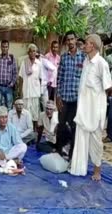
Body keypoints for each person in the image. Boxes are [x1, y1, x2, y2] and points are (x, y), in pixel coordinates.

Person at [70, 34, 112, 181]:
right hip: (83, 109)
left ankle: (97, 171)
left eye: (86, 43)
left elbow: (108, 87)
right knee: (80, 138)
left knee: (96, 142)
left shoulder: (101, 63)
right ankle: (78, 168)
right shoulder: (86, 62)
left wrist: (100, 102)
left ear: (92, 45)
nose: (83, 45)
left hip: (95, 111)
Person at [56, 30, 86, 159]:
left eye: (72, 39)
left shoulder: (83, 57)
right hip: (64, 98)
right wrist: (58, 97)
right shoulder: (63, 57)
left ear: (76, 40)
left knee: (74, 127)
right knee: (61, 126)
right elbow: (59, 78)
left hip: (76, 100)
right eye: (68, 40)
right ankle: (58, 152)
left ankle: (72, 155)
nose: (70, 42)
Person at [19, 44, 42, 129]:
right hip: (26, 92)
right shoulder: (24, 62)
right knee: (26, 113)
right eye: (31, 51)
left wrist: (40, 91)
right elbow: (21, 78)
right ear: (28, 52)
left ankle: (35, 131)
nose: (32, 53)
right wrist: (20, 91)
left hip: (35, 93)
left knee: (35, 114)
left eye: (34, 51)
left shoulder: (39, 63)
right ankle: (27, 131)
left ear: (36, 53)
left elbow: (40, 78)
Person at [0, 40, 17, 108]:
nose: (4, 48)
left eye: (6, 47)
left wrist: (12, 84)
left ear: (8, 48)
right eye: (3, 47)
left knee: (9, 106)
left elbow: (15, 73)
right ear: (0, 47)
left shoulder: (12, 58)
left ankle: (8, 119)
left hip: (8, 87)